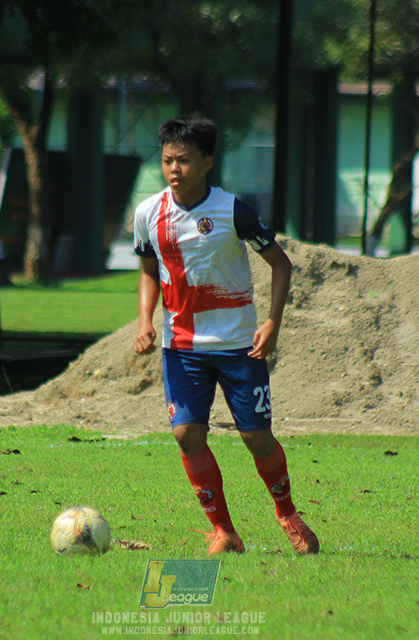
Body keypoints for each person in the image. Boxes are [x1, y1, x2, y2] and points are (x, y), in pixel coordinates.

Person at [132, 115, 319, 556]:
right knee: (186, 435)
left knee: (256, 439)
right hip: (182, 348)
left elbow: (281, 264)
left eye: (184, 160)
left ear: (207, 163)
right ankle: (225, 532)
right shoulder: (148, 214)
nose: (174, 169)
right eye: (167, 160)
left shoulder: (233, 210)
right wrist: (145, 320)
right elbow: (148, 270)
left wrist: (272, 322)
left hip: (239, 348)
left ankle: (287, 514)